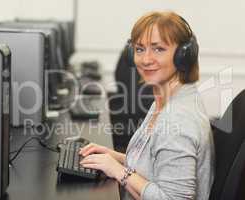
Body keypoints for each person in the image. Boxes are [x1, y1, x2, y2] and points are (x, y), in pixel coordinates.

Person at [79, 11, 215, 200]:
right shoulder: (167, 98)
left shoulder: (177, 120)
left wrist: (119, 171)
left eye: (158, 49)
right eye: (140, 49)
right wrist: (112, 157)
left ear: (183, 56)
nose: (145, 59)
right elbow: (155, 165)